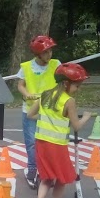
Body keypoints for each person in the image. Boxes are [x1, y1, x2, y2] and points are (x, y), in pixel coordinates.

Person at [27, 63, 94, 198]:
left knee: (47, 176)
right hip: (56, 145)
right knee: (62, 179)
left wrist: (49, 121)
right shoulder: (68, 101)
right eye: (77, 86)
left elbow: (30, 114)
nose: (78, 89)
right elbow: (76, 125)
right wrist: (86, 116)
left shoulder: (45, 95)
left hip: (41, 143)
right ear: (65, 83)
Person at [17, 35, 61, 186]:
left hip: (51, 110)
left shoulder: (56, 64)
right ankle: (32, 170)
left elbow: (63, 82)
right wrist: (27, 94)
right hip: (30, 110)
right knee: (32, 142)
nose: (49, 54)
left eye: (50, 51)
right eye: (46, 52)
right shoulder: (27, 67)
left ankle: (49, 170)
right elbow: (20, 85)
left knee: (50, 141)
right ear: (37, 54)